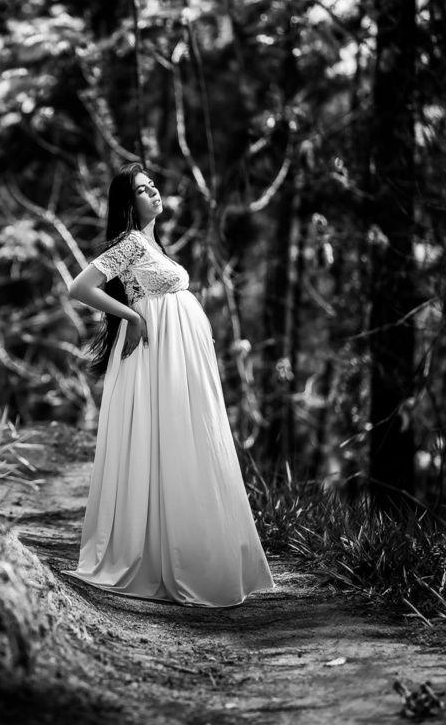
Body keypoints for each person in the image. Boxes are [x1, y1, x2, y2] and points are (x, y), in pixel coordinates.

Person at [63, 163, 274, 607]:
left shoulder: (152, 247)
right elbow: (80, 287)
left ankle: (194, 545)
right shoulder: (131, 244)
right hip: (156, 359)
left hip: (177, 359)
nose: (154, 192)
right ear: (128, 203)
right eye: (142, 190)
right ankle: (165, 553)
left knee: (186, 440)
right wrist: (134, 316)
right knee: (167, 439)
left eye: (153, 184)